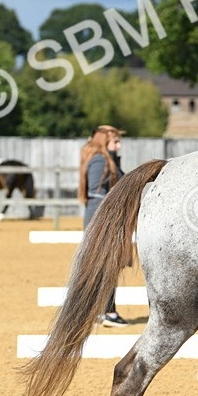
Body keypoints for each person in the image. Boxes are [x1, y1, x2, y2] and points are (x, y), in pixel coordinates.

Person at [81, 125, 127, 326]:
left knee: (108, 265)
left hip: (104, 216)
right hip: (101, 217)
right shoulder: (100, 160)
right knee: (105, 265)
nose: (119, 145)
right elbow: (96, 191)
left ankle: (105, 310)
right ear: (105, 142)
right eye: (115, 142)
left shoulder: (109, 160)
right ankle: (106, 312)